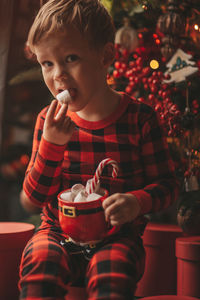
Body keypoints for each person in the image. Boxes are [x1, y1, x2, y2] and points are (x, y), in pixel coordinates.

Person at [19, 0, 180, 299]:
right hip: (56, 234)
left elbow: (169, 186)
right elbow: (33, 198)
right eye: (47, 63)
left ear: (106, 55)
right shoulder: (48, 121)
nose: (58, 76)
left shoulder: (140, 119)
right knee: (40, 265)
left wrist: (138, 201)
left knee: (113, 277)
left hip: (116, 239)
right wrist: (51, 147)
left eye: (70, 58)